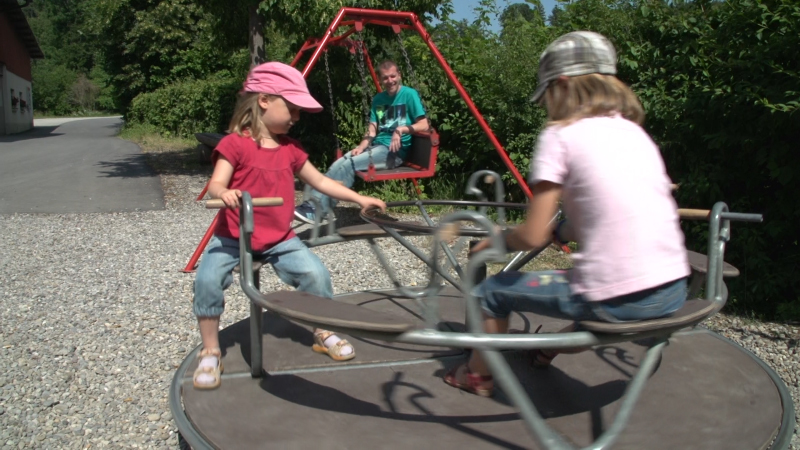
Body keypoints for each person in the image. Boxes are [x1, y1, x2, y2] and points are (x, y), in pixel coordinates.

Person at [443, 31, 690, 397]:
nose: (546, 107)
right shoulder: (635, 133)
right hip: (672, 290)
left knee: (492, 292)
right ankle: (547, 350)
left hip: (616, 298)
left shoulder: (560, 135)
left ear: (561, 85)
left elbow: (532, 235)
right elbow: (609, 212)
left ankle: (477, 376)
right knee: (596, 306)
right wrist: (564, 229)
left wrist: (495, 242)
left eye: (545, 96)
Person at [192, 62, 387, 390]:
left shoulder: (290, 150)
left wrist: (358, 198)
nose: (296, 117)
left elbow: (320, 181)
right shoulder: (235, 145)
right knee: (207, 279)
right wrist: (224, 193)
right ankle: (210, 350)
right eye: (292, 109)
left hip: (279, 238)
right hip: (233, 236)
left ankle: (322, 330)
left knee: (316, 274)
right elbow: (216, 184)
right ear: (264, 101)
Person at [294, 60, 427, 223]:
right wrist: (361, 146)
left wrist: (401, 130)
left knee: (349, 165)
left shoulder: (409, 94)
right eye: (385, 78)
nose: (390, 81)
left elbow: (424, 124)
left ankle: (318, 210)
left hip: (394, 152)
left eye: (393, 76)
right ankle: (312, 204)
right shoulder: (378, 99)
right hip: (377, 147)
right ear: (380, 79)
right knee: (339, 163)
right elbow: (372, 130)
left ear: (399, 75)